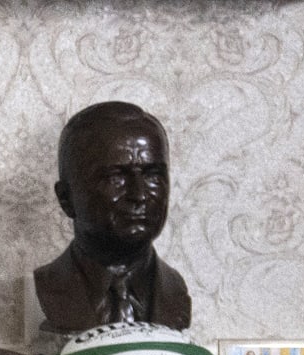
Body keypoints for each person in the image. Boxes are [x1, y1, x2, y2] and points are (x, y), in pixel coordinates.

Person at [31, 102, 191, 337]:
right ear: (66, 198)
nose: (139, 195)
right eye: (115, 177)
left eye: (153, 175)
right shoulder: (52, 286)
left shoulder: (174, 291)